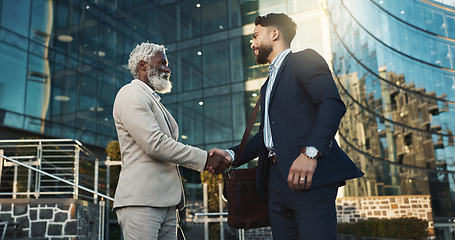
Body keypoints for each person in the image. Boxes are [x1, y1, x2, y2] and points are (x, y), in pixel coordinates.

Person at [211, 13, 364, 239]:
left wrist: (310, 153)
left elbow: (331, 104)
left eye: (255, 35)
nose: (252, 43)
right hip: (275, 181)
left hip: (308, 177)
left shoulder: (304, 59)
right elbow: (267, 134)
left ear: (275, 33)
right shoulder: (267, 84)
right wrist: (232, 155)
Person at [112, 42, 230, 240]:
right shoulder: (130, 93)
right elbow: (154, 144)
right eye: (162, 63)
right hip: (142, 203)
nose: (168, 69)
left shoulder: (151, 99)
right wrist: (204, 159)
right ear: (143, 66)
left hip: (164, 203)